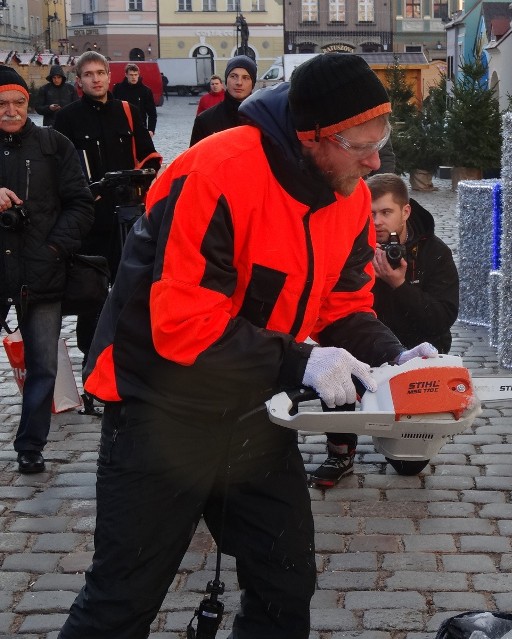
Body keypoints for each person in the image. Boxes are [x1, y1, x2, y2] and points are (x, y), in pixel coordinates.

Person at [58, 53, 436, 639]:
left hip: (250, 407)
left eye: (380, 139)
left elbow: (343, 303)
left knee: (285, 582)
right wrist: (303, 360)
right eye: (359, 144)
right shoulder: (215, 174)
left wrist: (393, 356)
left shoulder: (352, 197)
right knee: (121, 600)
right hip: (158, 408)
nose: (375, 160)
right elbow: (184, 323)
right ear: (312, 137)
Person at [310, 172, 459, 488]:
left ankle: (404, 429)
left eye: (386, 213)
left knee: (408, 466)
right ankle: (341, 450)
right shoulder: (354, 250)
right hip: (365, 348)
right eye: (370, 214)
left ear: (405, 211)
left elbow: (441, 319)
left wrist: (399, 285)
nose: (376, 222)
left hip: (417, 352)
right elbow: (339, 316)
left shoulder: (435, 253)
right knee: (336, 361)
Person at [53, 51, 162, 415]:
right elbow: (60, 170)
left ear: (108, 75)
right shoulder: (67, 119)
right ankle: (91, 374)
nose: (96, 79)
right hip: (89, 221)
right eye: (88, 74)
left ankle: (132, 369)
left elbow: (149, 155)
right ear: (78, 79)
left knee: (133, 295)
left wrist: (143, 181)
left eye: (101, 72)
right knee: (94, 299)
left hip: (129, 218)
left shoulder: (128, 111)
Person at [0, 66, 94, 474]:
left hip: (42, 271)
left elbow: (81, 203)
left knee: (43, 365)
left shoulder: (54, 144)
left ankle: (31, 445)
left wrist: (54, 247)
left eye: (18, 102)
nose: (11, 110)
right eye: (2, 104)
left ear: (28, 103)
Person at [189, 55, 256, 145]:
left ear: (253, 83)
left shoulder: (264, 120)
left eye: (245, 78)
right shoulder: (205, 120)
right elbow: (196, 157)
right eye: (233, 76)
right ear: (226, 80)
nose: (239, 82)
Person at [112, 63, 158, 136]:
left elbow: (152, 113)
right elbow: (112, 109)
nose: (134, 77)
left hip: (140, 127)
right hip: (121, 127)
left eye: (135, 75)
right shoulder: (118, 89)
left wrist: (151, 130)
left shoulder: (145, 91)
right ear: (126, 75)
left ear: (138, 75)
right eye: (131, 75)